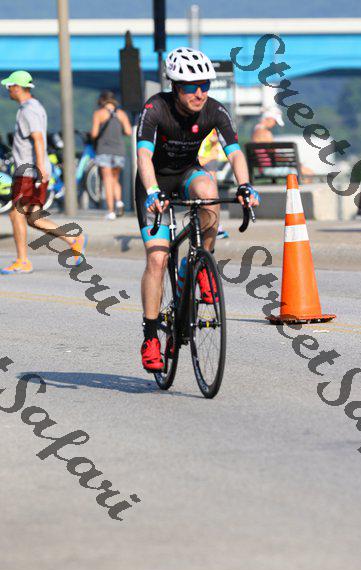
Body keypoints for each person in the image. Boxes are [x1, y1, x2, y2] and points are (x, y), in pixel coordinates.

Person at [135, 47, 260, 372]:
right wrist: (152, 192)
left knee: (209, 192)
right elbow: (143, 156)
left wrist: (245, 185)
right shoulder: (155, 109)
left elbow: (235, 153)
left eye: (205, 85)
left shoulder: (214, 110)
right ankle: (151, 337)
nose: (200, 93)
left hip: (187, 173)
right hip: (154, 182)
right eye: (191, 87)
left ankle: (202, 262)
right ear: (175, 87)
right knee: (157, 259)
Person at [0, 70, 87, 275]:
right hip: (32, 170)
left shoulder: (29, 110)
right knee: (33, 218)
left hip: (29, 172)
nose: (8, 90)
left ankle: (23, 261)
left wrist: (40, 167)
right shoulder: (32, 107)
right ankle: (73, 239)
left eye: (9, 86)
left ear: (18, 88)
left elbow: (38, 138)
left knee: (15, 214)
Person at [91, 90, 132, 220]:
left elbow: (94, 133)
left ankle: (111, 211)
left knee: (107, 180)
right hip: (119, 150)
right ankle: (119, 202)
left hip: (104, 150)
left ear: (102, 100)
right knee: (115, 179)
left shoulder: (99, 113)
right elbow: (128, 131)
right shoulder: (121, 114)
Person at [198, 128, 229, 239]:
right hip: (205, 160)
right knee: (211, 196)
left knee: (209, 197)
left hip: (207, 160)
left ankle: (214, 226)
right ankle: (213, 226)